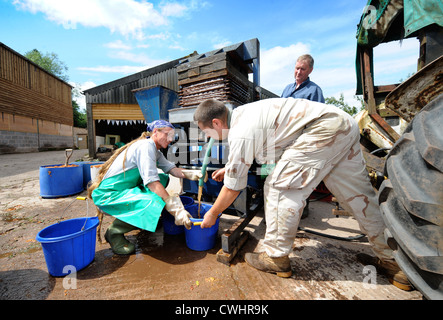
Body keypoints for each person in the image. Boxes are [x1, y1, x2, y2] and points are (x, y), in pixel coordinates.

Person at [193, 98, 411, 291]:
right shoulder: (248, 116)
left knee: (278, 188)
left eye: (206, 132)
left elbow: (233, 188)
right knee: (358, 197)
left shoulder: (241, 131)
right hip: (342, 124)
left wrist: (212, 213)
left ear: (216, 123)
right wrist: (231, 168)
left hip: (323, 129)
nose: (207, 137)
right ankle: (395, 263)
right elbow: (268, 163)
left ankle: (276, 258)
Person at [88, 120, 205, 255]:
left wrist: (191, 173)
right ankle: (114, 232)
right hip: (109, 195)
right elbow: (152, 183)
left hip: (125, 190)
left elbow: (171, 169)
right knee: (154, 202)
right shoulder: (146, 146)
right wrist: (177, 210)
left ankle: (147, 217)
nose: (171, 139)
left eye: (173, 136)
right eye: (168, 135)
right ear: (155, 132)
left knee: (163, 178)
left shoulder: (155, 150)